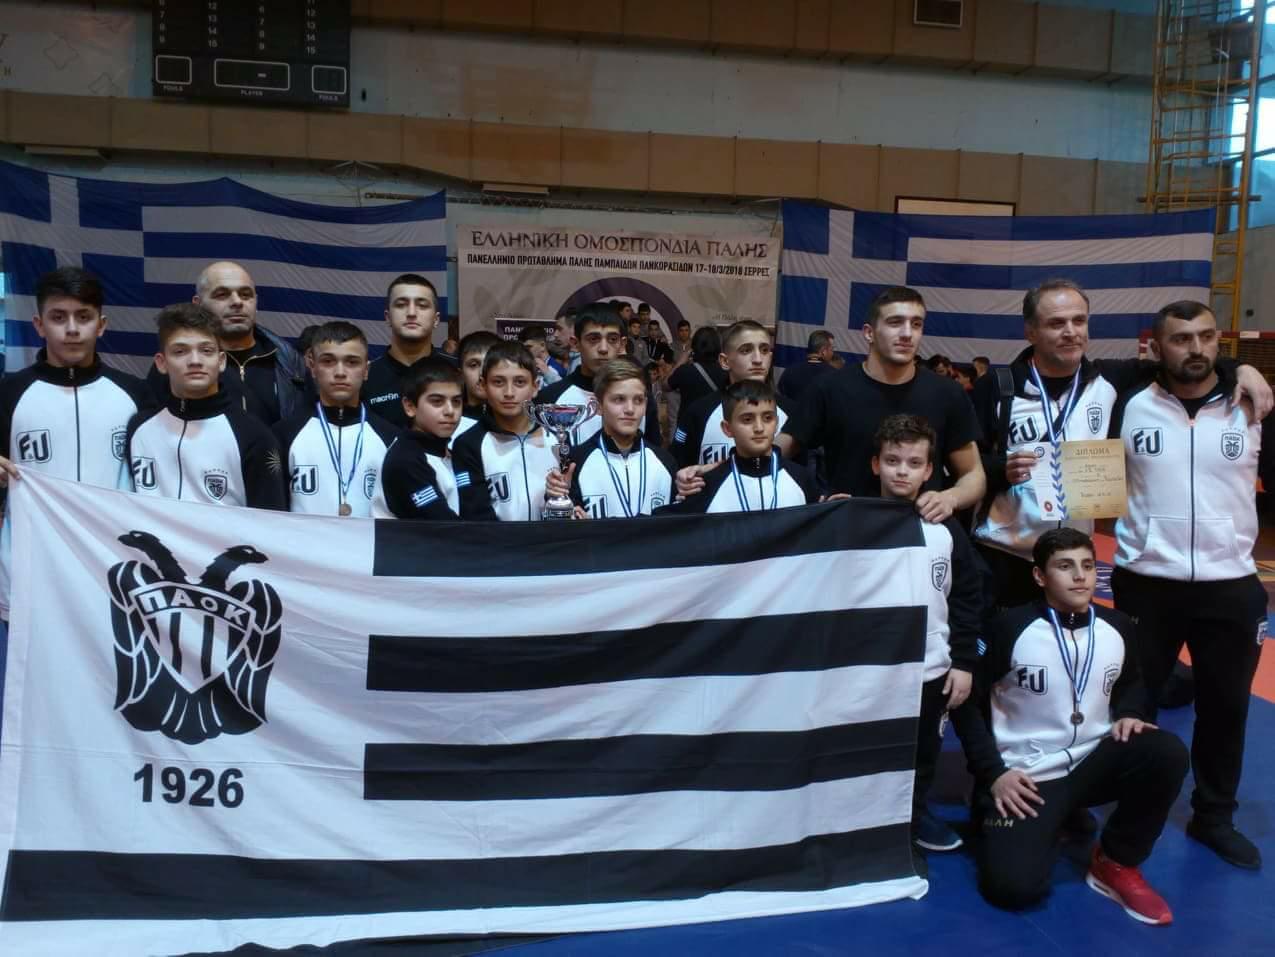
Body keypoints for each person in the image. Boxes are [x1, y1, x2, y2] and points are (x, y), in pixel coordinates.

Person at [971, 279, 1272, 611]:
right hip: (1004, 554)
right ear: (1030, 331)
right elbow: (962, 465)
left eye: (1079, 321)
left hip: (1073, 558)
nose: (1071, 332)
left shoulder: (1113, 380)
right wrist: (1000, 469)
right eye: (1056, 323)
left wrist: (1242, 369)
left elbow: (1186, 362)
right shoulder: (997, 387)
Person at [1109, 300, 1275, 871]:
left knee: (1227, 708)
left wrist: (1245, 372)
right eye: (1181, 339)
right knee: (1134, 704)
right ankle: (1131, 808)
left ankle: (1214, 816)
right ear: (1156, 347)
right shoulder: (1127, 401)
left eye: (1206, 336)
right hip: (1146, 581)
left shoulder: (1251, 405)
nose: (1196, 348)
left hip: (1231, 584)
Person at [950, 527, 1187, 924]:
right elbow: (966, 706)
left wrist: (1131, 713)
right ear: (1040, 576)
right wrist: (993, 774)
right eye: (1065, 566)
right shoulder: (1009, 628)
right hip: (1029, 778)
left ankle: (1116, 861)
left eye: (1088, 566)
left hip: (1092, 761)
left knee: (1165, 751)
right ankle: (1029, 816)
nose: (1080, 576)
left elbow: (1131, 682)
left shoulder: (1118, 625)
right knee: (1013, 890)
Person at [0, 266, 150, 632]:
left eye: (83, 317)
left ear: (101, 325)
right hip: (31, 572)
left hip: (113, 573)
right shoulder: (8, 394)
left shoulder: (136, 395)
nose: (71, 329)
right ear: (39, 325)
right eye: (58, 317)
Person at [778, 286, 985, 523]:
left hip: (920, 533)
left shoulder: (947, 393)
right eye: (895, 322)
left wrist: (951, 498)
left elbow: (974, 474)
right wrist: (813, 498)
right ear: (869, 333)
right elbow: (775, 455)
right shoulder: (830, 388)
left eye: (916, 324)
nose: (907, 333)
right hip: (849, 532)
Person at [871, 414, 982, 856]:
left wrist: (964, 661)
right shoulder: (853, 521)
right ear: (875, 464)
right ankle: (867, 825)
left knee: (922, 753)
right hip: (873, 669)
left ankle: (914, 819)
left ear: (929, 470)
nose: (902, 471)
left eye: (914, 463)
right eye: (892, 460)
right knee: (872, 749)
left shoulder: (944, 528)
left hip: (930, 667)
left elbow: (968, 597)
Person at [124, 303, 287, 510]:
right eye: (180, 351)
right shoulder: (139, 428)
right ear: (161, 363)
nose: (195, 361)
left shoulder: (254, 437)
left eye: (206, 350)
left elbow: (270, 522)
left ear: (221, 361)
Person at [147, 261, 307, 425]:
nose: (237, 302)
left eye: (246, 295)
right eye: (222, 295)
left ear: (256, 302)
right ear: (198, 304)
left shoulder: (290, 362)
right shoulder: (177, 365)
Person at [273, 322, 398, 517]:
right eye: (328, 361)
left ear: (366, 370)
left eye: (352, 362)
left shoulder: (391, 439)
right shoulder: (283, 435)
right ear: (313, 366)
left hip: (371, 538)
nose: (340, 372)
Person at [657, 380, 816, 514]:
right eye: (747, 419)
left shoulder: (802, 479)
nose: (759, 428)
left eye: (768, 418)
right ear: (727, 429)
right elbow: (663, 528)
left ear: (777, 423)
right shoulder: (706, 486)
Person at [547, 359, 676, 518]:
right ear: (598, 406)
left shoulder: (665, 462)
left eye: (638, 400)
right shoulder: (576, 462)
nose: (630, 409)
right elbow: (564, 528)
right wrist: (557, 499)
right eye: (619, 399)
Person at [452, 341, 558, 521]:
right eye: (498, 382)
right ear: (483, 385)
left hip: (552, 538)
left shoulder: (557, 438)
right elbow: (475, 514)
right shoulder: (468, 444)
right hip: (493, 539)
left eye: (520, 382)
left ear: (535, 387)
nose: (509, 392)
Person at [670, 320, 791, 470]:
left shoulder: (791, 412)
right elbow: (678, 467)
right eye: (746, 350)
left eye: (764, 350)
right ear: (724, 361)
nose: (758, 359)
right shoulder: (699, 412)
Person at [534, 306, 661, 447]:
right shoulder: (550, 399)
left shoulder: (640, 399)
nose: (603, 349)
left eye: (612, 339)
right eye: (593, 339)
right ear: (576, 343)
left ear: (622, 344)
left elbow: (653, 453)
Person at [374, 360, 467, 520]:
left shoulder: (451, 453)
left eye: (456, 401)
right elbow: (443, 525)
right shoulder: (405, 460)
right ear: (410, 406)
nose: (450, 411)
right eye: (437, 401)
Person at [364, 274, 456, 430]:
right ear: (388, 317)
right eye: (401, 305)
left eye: (422, 305)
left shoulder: (458, 372)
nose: (412, 313)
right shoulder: (366, 377)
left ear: (436, 319)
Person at [455, 330, 501, 441]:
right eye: (473, 365)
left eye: (490, 364)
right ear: (460, 374)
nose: (482, 373)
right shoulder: (448, 420)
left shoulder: (517, 422)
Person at [777, 329, 836, 401]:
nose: (833, 353)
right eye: (832, 349)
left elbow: (779, 399)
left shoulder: (789, 371)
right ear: (824, 351)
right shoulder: (834, 375)